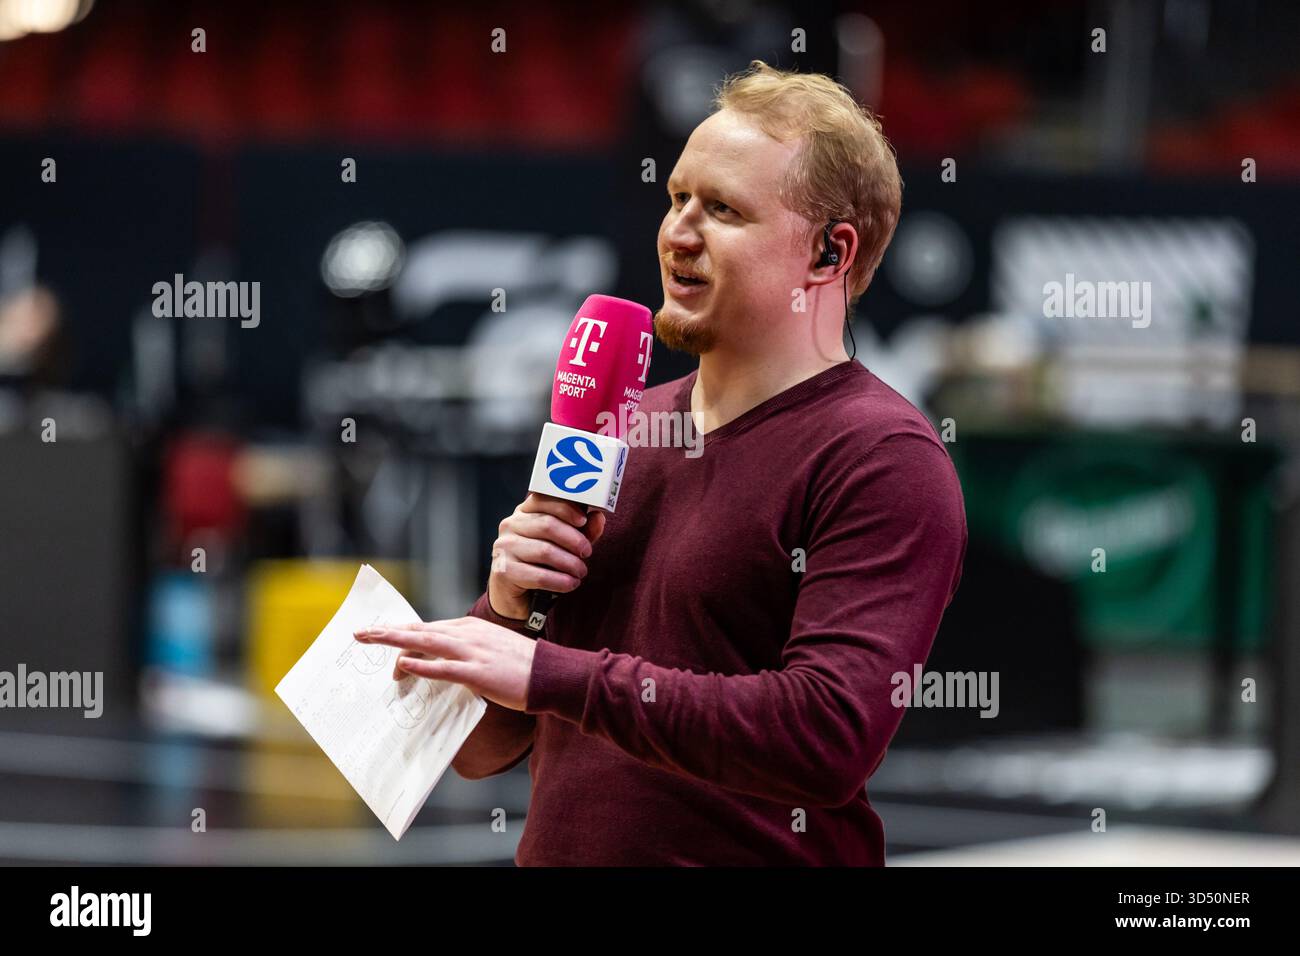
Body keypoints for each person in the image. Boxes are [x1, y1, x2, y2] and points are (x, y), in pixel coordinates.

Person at [354, 60, 967, 865]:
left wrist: (550, 670)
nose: (678, 232)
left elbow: (825, 736)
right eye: (677, 197)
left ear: (828, 253)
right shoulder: (619, 425)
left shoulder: (880, 457)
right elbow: (476, 750)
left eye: (722, 209)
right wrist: (509, 604)